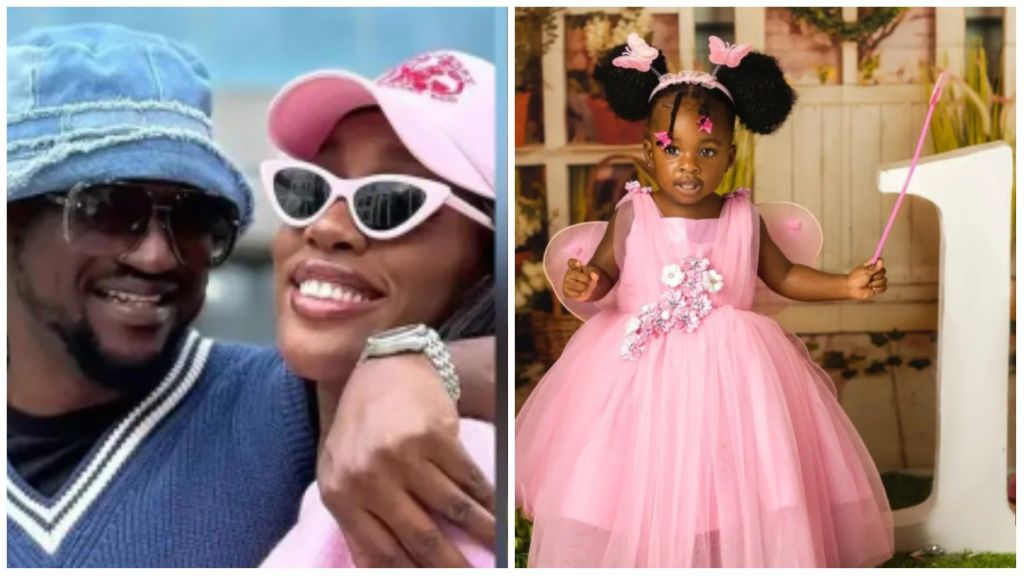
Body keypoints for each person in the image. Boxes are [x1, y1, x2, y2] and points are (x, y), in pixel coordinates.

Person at [7, 23, 494, 568]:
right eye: (108, 211)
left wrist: (419, 366)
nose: (156, 256)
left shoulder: (299, 402)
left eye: (195, 217)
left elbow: (558, 376)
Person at [515, 34, 895, 568]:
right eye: (672, 150)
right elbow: (603, 272)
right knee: (632, 471)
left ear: (731, 157)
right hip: (638, 369)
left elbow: (784, 276)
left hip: (734, 373)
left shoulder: (744, 217)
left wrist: (844, 285)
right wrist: (588, 283)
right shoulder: (633, 214)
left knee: (732, 473)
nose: (688, 165)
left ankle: (726, 553)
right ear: (649, 152)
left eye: (707, 150)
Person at [259, 50, 497, 568]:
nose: (326, 226)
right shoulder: (238, 401)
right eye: (306, 189)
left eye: (391, 200)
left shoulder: (441, 472)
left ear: (485, 264)